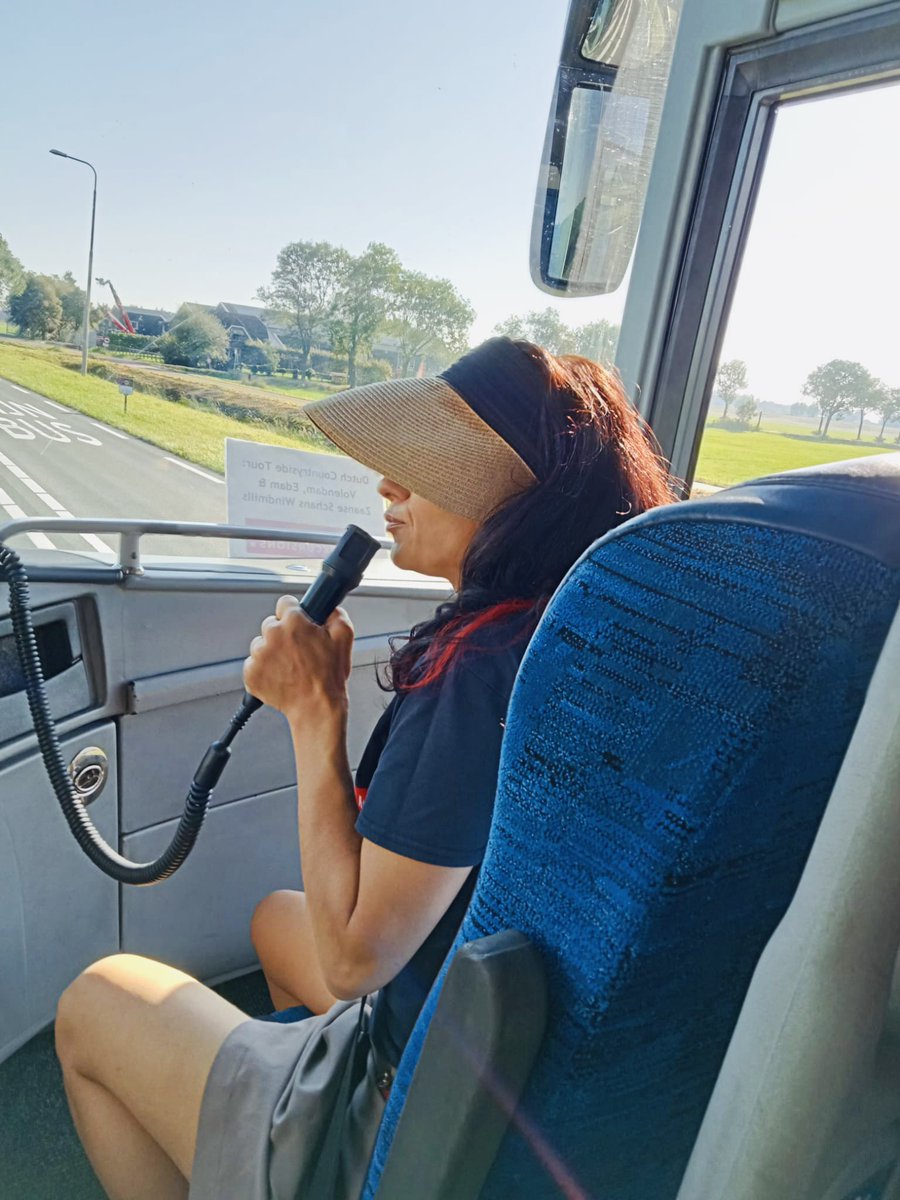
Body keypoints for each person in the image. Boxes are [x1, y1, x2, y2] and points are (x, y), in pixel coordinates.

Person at [54, 338, 675, 1200]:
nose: (388, 485)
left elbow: (352, 961)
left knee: (97, 1000)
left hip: (415, 1094)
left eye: (420, 467)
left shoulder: (478, 673)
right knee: (278, 917)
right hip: (505, 1047)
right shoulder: (571, 634)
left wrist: (315, 713)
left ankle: (317, 1155)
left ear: (507, 492)